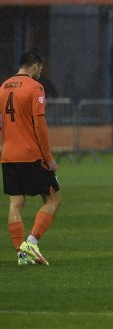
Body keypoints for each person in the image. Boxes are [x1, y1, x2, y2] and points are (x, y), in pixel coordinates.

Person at [0, 51, 60, 266]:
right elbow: (40, 125)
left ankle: (21, 254)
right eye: (40, 70)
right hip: (31, 155)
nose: (40, 74)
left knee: (15, 204)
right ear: (34, 66)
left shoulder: (3, 87)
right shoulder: (35, 88)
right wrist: (48, 157)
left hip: (8, 155)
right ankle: (32, 242)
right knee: (53, 200)